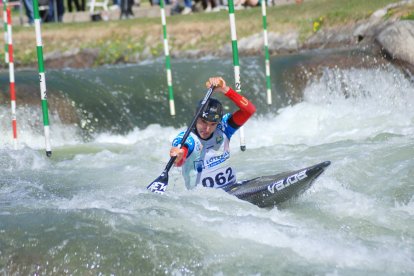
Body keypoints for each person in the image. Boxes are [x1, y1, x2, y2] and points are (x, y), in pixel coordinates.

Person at [170, 76, 256, 190]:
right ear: (196, 118)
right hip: (207, 200)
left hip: (232, 188)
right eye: (203, 122)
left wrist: (225, 90)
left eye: (212, 124)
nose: (207, 129)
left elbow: (249, 110)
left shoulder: (223, 127)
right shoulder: (188, 139)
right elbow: (180, 158)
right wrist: (178, 155)